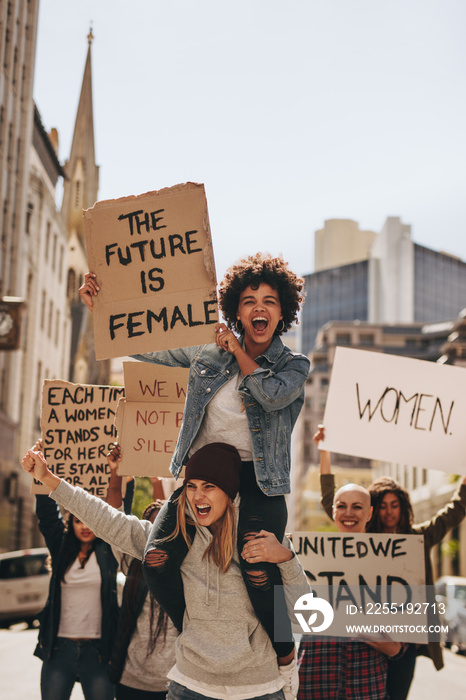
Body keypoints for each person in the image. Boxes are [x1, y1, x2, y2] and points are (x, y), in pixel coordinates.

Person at [79, 253, 310, 672]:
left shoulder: (294, 366)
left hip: (259, 482)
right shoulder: (209, 352)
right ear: (236, 308)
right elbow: (150, 348)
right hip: (204, 475)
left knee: (256, 566)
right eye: (249, 299)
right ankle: (193, 628)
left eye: (270, 300)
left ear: (283, 311)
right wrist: (103, 308)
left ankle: (284, 652)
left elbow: (270, 395)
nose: (259, 307)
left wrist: (238, 349)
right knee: (156, 559)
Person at [22, 441, 311, 700]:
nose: (198, 496)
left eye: (209, 486)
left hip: (258, 690)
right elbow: (108, 519)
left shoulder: (265, 541)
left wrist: (286, 558)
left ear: (230, 494)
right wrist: (49, 479)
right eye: (192, 486)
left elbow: (306, 614)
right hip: (189, 687)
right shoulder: (174, 541)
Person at [317, 424, 466, 699]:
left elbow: (455, 511)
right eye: (382, 505)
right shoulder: (363, 536)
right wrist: (324, 451)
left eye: (394, 505)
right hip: (369, 639)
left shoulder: (419, 537)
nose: (388, 511)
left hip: (404, 641)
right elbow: (331, 501)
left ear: (404, 507)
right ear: (373, 509)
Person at [297, 471, 405, 700]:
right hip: (314, 681)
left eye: (357, 507)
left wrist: (365, 631)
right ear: (333, 511)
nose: (348, 513)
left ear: (369, 513)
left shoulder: (390, 566)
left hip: (365, 686)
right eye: (341, 506)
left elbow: (397, 648)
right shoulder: (309, 559)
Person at [33, 466, 118, 699]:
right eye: (79, 521)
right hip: (60, 651)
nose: (85, 526)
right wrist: (40, 476)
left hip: (98, 653)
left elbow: (119, 512)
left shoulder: (108, 551)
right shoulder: (62, 549)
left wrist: (117, 473)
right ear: (72, 524)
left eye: (90, 521)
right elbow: (48, 518)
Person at [105, 444, 178, 700]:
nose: (157, 535)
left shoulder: (186, 569)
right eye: (152, 528)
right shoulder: (133, 562)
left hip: (176, 687)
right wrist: (116, 473)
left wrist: (158, 479)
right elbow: (113, 514)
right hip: (131, 682)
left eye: (165, 529)